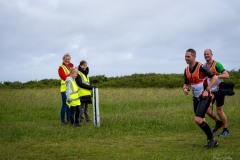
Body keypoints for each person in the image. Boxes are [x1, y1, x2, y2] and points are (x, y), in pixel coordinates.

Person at [183, 48, 219, 149]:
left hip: (205, 97)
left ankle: (212, 140)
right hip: (196, 98)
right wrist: (185, 88)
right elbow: (186, 83)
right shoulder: (186, 70)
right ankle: (212, 140)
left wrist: (207, 90)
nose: (186, 58)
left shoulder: (201, 67)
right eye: (185, 56)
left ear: (194, 57)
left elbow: (215, 78)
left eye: (188, 56)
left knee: (198, 119)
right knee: (202, 119)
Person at [204, 49, 230, 136]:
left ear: (212, 54)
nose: (206, 55)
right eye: (205, 54)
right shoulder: (204, 66)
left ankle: (226, 129)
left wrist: (216, 77)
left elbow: (226, 75)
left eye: (208, 54)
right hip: (210, 91)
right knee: (206, 109)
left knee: (219, 111)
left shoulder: (216, 64)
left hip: (219, 91)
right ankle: (218, 122)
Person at [58, 53, 74, 125]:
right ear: (63, 59)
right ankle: (62, 121)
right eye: (66, 59)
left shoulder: (72, 66)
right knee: (64, 105)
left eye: (69, 59)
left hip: (71, 89)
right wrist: (71, 74)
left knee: (69, 105)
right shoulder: (61, 67)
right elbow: (64, 77)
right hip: (64, 89)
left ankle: (69, 119)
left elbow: (75, 76)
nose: (67, 60)